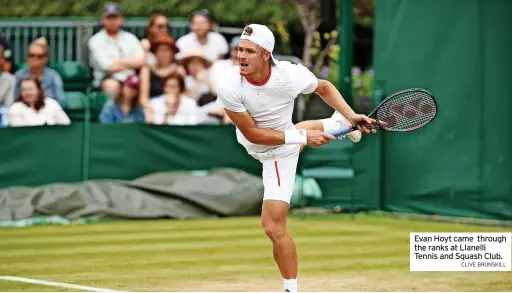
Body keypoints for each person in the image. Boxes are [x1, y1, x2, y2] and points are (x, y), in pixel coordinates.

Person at [215, 24, 378, 292]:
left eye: (249, 51)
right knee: (299, 134)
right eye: (240, 50)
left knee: (272, 227)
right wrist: (304, 138)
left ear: (266, 54)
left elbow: (323, 87)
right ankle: (336, 124)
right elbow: (253, 133)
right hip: (259, 142)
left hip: (279, 154)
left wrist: (352, 114)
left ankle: (291, 289)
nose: (241, 56)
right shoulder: (229, 84)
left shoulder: (289, 75)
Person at [88, 2, 146, 97]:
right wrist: (131, 63)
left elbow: (141, 61)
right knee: (112, 85)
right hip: (107, 79)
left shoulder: (130, 37)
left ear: (121, 19)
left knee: (146, 77)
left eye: (115, 17)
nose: (112, 21)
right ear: (103, 20)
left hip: (132, 78)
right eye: (109, 17)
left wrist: (118, 61)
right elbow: (107, 67)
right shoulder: (95, 40)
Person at [139, 34, 185, 121]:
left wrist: (173, 108)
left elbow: (183, 94)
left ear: (172, 53)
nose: (163, 54)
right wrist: (152, 110)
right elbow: (143, 98)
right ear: (155, 52)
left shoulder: (179, 70)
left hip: (175, 109)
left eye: (166, 50)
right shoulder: (146, 70)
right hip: (152, 110)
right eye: (160, 50)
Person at [14, 37, 65, 104]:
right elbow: (14, 99)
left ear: (45, 58)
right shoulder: (19, 75)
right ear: (27, 57)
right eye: (31, 55)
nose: (35, 58)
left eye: (39, 56)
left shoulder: (53, 76)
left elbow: (61, 100)